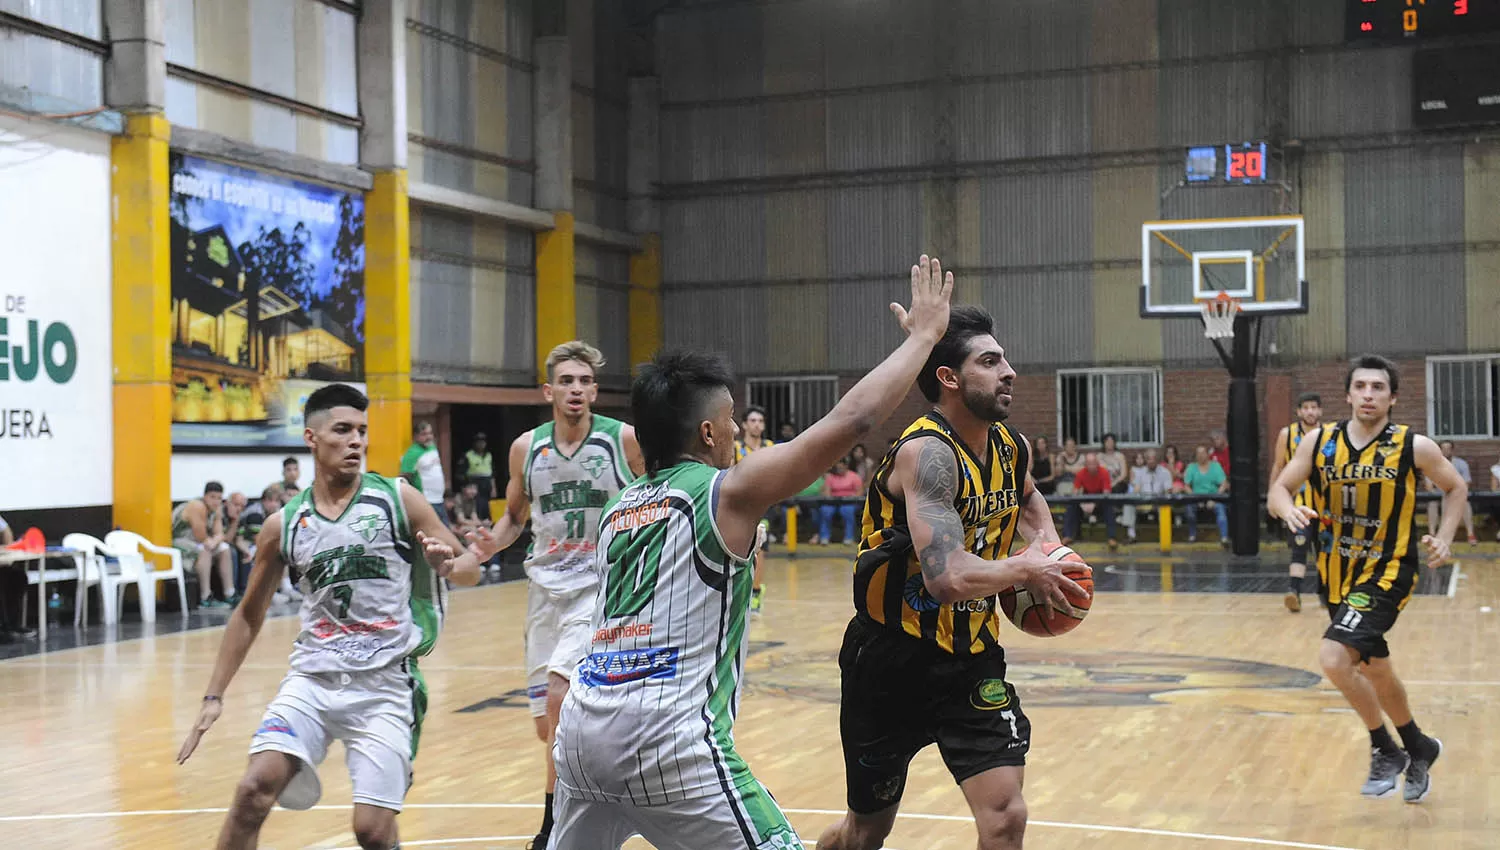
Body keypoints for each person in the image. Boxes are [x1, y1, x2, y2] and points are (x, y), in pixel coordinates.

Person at [544, 255, 968, 849]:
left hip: (582, 737)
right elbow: (854, 420)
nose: (739, 430)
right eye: (731, 421)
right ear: (710, 435)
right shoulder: (727, 492)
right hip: (668, 742)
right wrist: (926, 335)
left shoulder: (616, 511)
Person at [818, 300, 1090, 850]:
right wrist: (1024, 568)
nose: (1009, 371)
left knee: (1006, 817)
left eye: (1004, 359)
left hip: (971, 661)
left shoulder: (1011, 447)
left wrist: (1052, 552)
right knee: (865, 832)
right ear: (949, 378)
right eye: (990, 362)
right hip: (890, 662)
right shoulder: (927, 453)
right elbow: (945, 577)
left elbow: (1029, 498)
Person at [176, 383, 483, 850]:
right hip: (313, 680)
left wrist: (447, 564)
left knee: (373, 832)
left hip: (384, 685)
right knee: (250, 792)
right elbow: (248, 614)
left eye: (362, 431)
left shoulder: (399, 499)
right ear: (311, 439)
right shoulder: (285, 524)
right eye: (343, 430)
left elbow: (470, 571)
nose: (356, 440)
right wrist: (213, 696)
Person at [463, 341, 643, 850]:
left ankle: (552, 831)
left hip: (601, 590)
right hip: (544, 591)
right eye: (567, 381)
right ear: (549, 390)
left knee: (562, 699)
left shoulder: (622, 441)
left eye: (585, 382)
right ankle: (603, 795)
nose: (577, 390)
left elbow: (656, 496)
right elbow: (514, 518)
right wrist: (488, 545)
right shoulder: (527, 448)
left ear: (595, 391)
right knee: (549, 730)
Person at [1269, 355, 1465, 804]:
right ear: (1348, 394)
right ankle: (1419, 746)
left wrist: (1446, 537)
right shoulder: (1320, 442)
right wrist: (1288, 509)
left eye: (1379, 387)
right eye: (1361, 386)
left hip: (1388, 570)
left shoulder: (1415, 446)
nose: (1369, 394)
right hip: (1335, 573)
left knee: (1335, 657)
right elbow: (1279, 487)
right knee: (1375, 668)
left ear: (1393, 397)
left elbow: (1455, 488)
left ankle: (1384, 749)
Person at [1269, 391, 1323, 612]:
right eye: (1305, 408)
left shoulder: (1329, 433)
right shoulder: (1287, 434)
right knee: (1300, 545)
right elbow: (1279, 465)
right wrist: (1273, 496)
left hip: (1325, 502)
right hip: (1298, 501)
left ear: (1320, 410)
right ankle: (1294, 591)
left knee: (1325, 549)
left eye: (1314, 407)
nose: (1310, 411)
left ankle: (1325, 593)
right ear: (1299, 411)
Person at [734, 405, 776, 613]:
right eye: (753, 420)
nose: (757, 424)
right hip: (740, 505)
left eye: (760, 421)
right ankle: (740, 590)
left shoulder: (770, 446)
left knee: (761, 547)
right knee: (740, 549)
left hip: (764, 504)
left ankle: (757, 591)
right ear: (743, 425)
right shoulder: (735, 447)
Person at [172, 482, 236, 609]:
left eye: (219, 498)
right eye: (212, 497)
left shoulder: (217, 509)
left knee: (224, 548)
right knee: (204, 550)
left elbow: (220, 534)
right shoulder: (196, 506)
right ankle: (205, 597)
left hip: (198, 542)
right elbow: (200, 535)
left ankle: (229, 593)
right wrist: (211, 542)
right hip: (177, 540)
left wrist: (214, 542)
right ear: (205, 496)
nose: (216, 501)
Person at [1063, 451, 1118, 550]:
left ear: (1097, 463)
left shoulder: (1104, 472)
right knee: (1071, 507)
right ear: (1085, 465)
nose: (1092, 466)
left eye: (1093, 463)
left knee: (1109, 507)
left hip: (1100, 502)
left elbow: (1106, 494)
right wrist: (1082, 503)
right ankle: (1067, 535)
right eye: (1089, 464)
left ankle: (1111, 537)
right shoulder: (1081, 473)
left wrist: (1095, 504)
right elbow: (1074, 493)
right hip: (1085, 499)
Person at [1425, 441, 1477, 545]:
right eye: (1443, 449)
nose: (1445, 451)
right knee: (1432, 503)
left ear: (1452, 450)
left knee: (1465, 503)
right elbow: (1428, 486)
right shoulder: (1431, 464)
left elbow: (1466, 483)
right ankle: (1432, 534)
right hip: (1439, 494)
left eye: (1448, 448)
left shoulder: (1461, 464)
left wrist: (1456, 493)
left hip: (1457, 494)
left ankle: (1470, 534)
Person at [1183, 445, 1229, 546]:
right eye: (1198, 453)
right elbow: (1186, 486)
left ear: (1207, 454)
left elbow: (1223, 484)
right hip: (1196, 497)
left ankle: (1224, 538)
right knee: (1189, 510)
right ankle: (1192, 535)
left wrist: (1215, 498)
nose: (1201, 456)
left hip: (1213, 496)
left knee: (1221, 509)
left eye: (1203, 453)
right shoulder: (1191, 467)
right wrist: (1195, 498)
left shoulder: (1215, 466)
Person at [401, 422, 447, 523]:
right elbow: (404, 478)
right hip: (426, 501)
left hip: (439, 500)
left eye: (430, 433)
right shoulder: (411, 454)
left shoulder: (432, 447)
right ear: (416, 436)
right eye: (424, 434)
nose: (429, 437)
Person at [816, 457, 866, 544]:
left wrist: (852, 497)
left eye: (841, 468)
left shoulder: (854, 476)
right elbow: (827, 491)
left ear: (846, 466)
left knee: (847, 510)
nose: (839, 469)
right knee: (825, 510)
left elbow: (860, 491)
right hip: (833, 501)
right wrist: (830, 498)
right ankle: (824, 537)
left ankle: (848, 537)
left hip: (850, 502)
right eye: (837, 468)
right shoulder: (831, 477)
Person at [464, 433, 495, 522]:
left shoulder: (489, 455)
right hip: (474, 482)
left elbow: (492, 472)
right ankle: (478, 520)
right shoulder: (469, 455)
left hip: (487, 482)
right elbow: (463, 472)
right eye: (479, 442)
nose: (481, 444)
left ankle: (487, 520)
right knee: (477, 503)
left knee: (487, 502)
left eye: (483, 442)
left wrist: (493, 487)